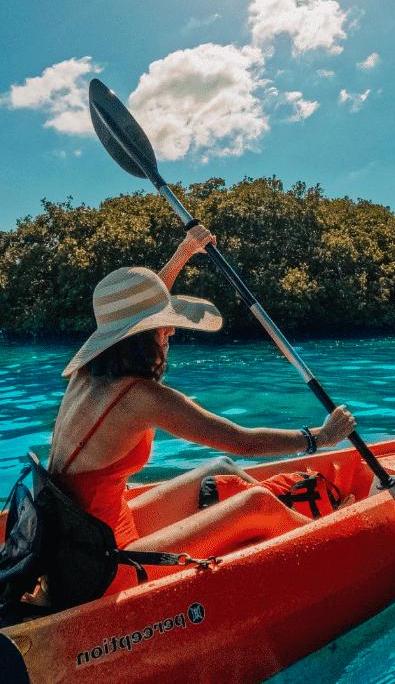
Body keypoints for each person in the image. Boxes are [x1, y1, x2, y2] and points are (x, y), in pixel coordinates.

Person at [46, 225, 356, 569]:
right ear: (141, 334)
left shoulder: (87, 371)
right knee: (256, 502)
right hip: (104, 562)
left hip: (82, 536)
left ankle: (284, 527)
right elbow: (241, 441)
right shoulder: (143, 398)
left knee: (220, 469)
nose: (172, 330)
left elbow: (141, 305)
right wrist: (322, 437)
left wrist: (184, 251)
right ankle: (333, 539)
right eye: (163, 325)